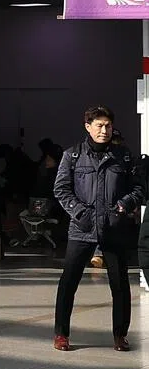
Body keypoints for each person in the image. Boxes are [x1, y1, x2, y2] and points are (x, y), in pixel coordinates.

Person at [54, 105, 144, 352]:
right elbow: (61, 189)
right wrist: (79, 212)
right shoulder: (72, 155)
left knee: (120, 285)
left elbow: (138, 189)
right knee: (68, 282)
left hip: (114, 227)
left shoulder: (123, 156)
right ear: (88, 127)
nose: (104, 130)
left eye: (108, 126)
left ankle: (120, 335)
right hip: (81, 228)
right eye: (99, 126)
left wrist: (125, 204)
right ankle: (61, 334)